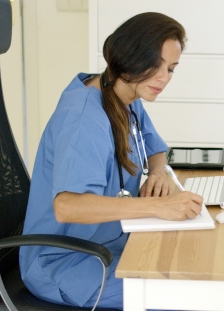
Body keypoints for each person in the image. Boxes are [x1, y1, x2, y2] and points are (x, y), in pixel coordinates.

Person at [19, 12, 203, 310]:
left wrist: (158, 173)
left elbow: (154, 147)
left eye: (171, 69)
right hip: (66, 264)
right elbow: (67, 206)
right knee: (191, 293)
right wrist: (157, 206)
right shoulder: (84, 119)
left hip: (110, 244)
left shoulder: (123, 93)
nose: (164, 78)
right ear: (129, 57)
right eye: (156, 66)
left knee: (196, 262)